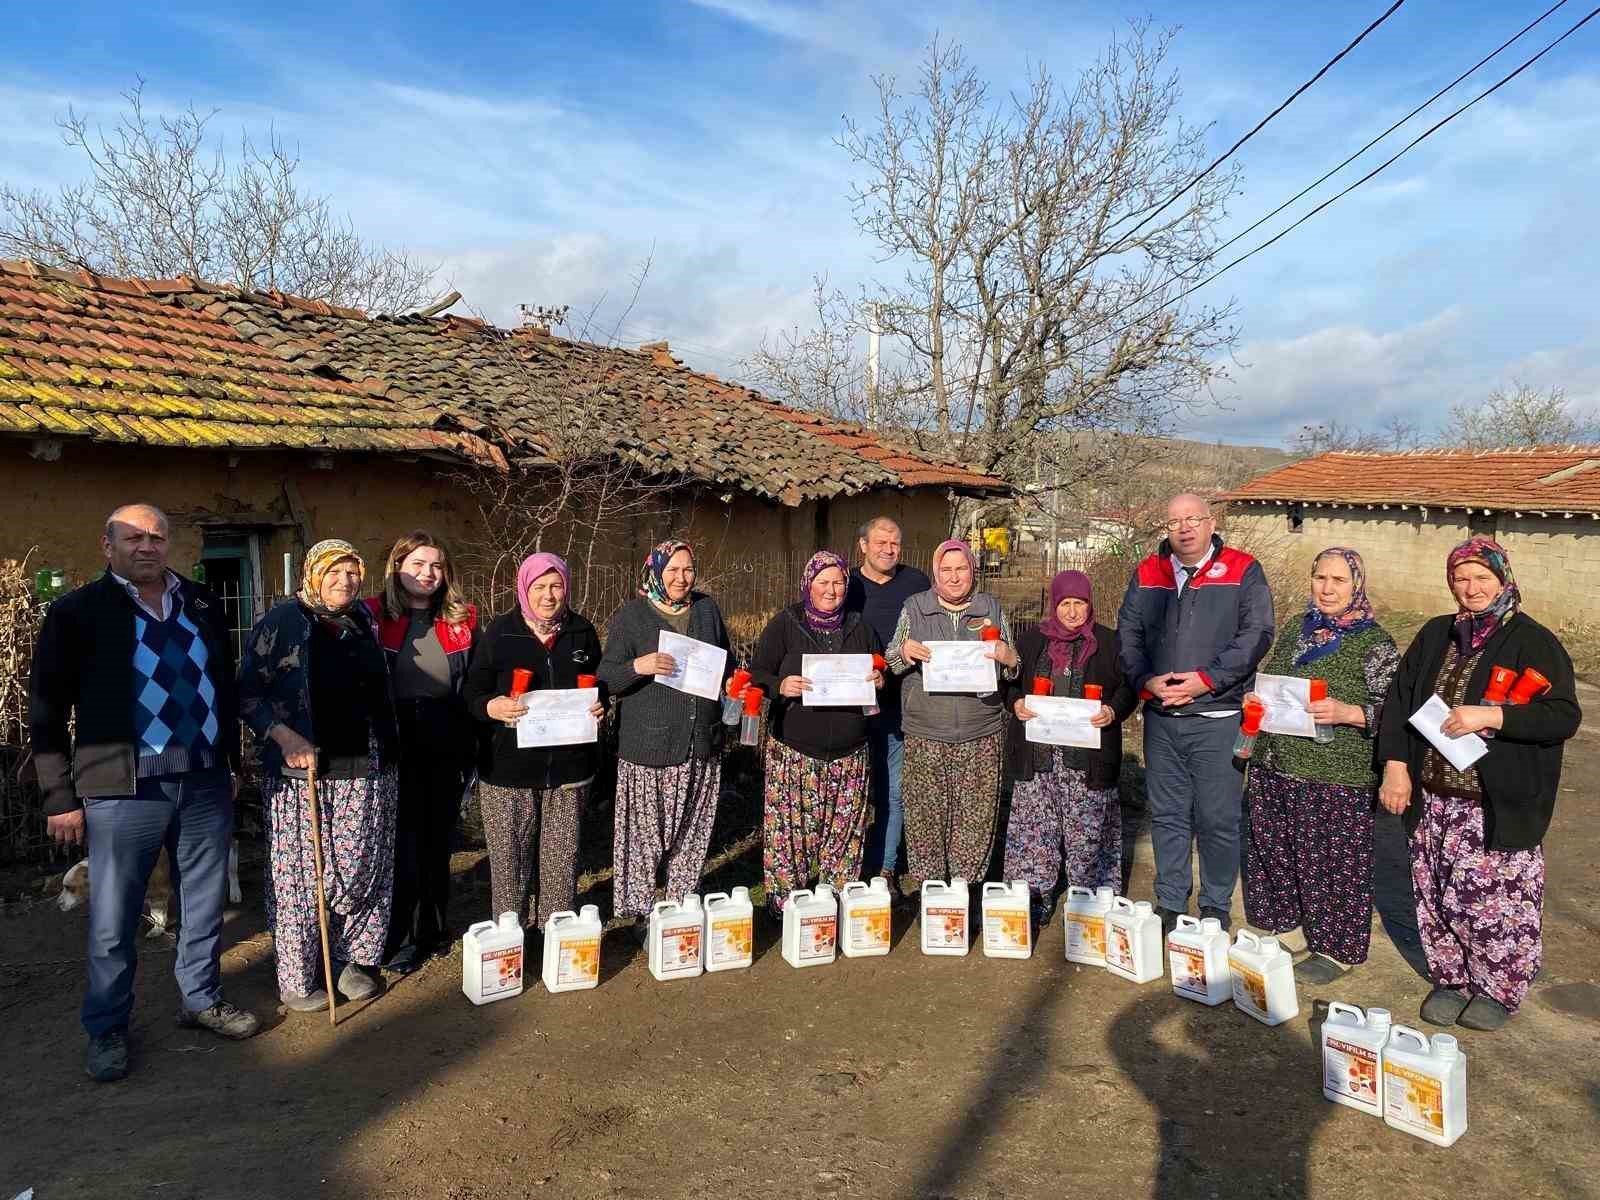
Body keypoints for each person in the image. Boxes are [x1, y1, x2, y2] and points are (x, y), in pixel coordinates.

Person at [30, 504, 258, 1081]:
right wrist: (59, 797)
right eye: (133, 537)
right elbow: (47, 711)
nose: (147, 546)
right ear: (108, 546)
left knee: (203, 902)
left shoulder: (201, 604)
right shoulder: (77, 612)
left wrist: (230, 760)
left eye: (157, 537)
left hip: (204, 779)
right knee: (114, 915)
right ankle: (106, 1027)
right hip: (123, 787)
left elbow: (221, 688)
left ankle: (201, 1000)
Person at [1377, 537, 1580, 1030]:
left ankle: (1498, 987)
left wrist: (1493, 714)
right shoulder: (1436, 635)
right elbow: (1400, 703)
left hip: (1492, 802)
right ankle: (1452, 978)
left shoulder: (1532, 640)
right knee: (1435, 892)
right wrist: (1396, 766)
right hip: (1433, 797)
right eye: (1461, 579)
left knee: (1493, 903)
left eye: (1481, 578)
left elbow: (1562, 715)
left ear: (1503, 578)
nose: (1471, 588)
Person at [239, 539, 401, 1012]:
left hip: (367, 765)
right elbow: (247, 693)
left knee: (361, 868)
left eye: (352, 572)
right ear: (312, 573)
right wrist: (285, 736)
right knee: (301, 876)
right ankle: (297, 974)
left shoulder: (364, 621)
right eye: (334, 571)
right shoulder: (282, 622)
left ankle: (354, 959)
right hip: (301, 770)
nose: (344, 581)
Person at [1118, 493, 1274, 934]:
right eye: (1174, 521)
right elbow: (1128, 631)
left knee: (1217, 818)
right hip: (1162, 717)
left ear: (1210, 522)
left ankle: (1215, 905)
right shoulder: (1149, 572)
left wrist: (1207, 680)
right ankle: (1170, 899)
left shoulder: (1243, 569)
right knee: (1167, 813)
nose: (1183, 528)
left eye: (1192, 519)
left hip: (1217, 718)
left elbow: (1257, 634)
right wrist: (1143, 679)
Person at [1242, 548, 1399, 984]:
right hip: (1277, 761)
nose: (1327, 588)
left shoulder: (1375, 643)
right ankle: (1287, 927)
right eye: (1320, 578)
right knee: (1276, 848)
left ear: (1357, 586)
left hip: (1336, 773)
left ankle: (1336, 947)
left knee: (1335, 860)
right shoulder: (1298, 629)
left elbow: (1395, 710)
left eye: (1339, 580)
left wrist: (1350, 712)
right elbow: (1271, 679)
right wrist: (1255, 699)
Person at [463, 552, 605, 931]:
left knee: (561, 861)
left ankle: (555, 937)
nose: (548, 595)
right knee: (509, 862)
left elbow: (598, 684)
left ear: (566, 587)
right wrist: (491, 706)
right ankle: (510, 940)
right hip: (508, 770)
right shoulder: (500, 632)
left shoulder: (582, 631)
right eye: (539, 586)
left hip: (569, 769)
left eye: (556, 585)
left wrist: (599, 705)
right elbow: (471, 690)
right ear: (523, 589)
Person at [597, 539, 732, 927]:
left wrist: (734, 682)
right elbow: (607, 677)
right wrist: (638, 665)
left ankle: (680, 909)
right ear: (655, 570)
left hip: (701, 742)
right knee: (644, 837)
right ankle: (639, 915)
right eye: (672, 569)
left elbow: (725, 662)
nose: (681, 578)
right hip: (649, 744)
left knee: (692, 832)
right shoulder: (633, 616)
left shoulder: (706, 609)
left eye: (688, 569)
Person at [366, 531, 478, 973]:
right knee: (399, 841)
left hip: (445, 737)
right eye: (417, 564)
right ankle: (396, 934)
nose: (427, 574)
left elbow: (471, 684)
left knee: (436, 840)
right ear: (398, 567)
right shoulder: (373, 615)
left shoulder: (461, 619)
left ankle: (431, 928)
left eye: (435, 566)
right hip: (394, 738)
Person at [750, 550, 884, 915]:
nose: (831, 589)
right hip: (795, 751)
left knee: (843, 837)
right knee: (790, 835)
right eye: (822, 582)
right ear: (808, 585)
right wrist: (781, 685)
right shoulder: (786, 624)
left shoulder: (860, 627)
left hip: (850, 753)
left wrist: (879, 679)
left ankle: (831, 907)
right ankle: (786, 907)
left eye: (838, 582)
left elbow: (878, 671)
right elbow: (757, 673)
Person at [1003, 570, 1136, 929]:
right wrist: (1015, 704)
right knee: (1035, 829)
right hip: (1040, 755)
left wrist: (1112, 710)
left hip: (1088, 758)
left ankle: (1090, 901)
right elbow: (1010, 683)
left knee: (1088, 831)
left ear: (1089, 605)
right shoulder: (1032, 641)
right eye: (1065, 603)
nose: (1073, 611)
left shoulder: (1109, 642)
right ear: (1055, 604)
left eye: (1080, 603)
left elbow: (1129, 688)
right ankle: (1034, 895)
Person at [886, 538, 1019, 891]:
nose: (955, 576)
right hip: (927, 730)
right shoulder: (915, 608)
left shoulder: (990, 607)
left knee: (974, 817)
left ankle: (965, 891)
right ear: (935, 573)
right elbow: (891, 660)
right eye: (947, 569)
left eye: (962, 568)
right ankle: (931, 891)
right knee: (925, 815)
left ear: (973, 571)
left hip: (981, 730)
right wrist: (904, 649)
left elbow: (1012, 668)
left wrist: (1009, 658)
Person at [845, 516, 930, 888]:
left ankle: (885, 868)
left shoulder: (916, 583)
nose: (888, 549)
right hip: (850, 705)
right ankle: (848, 865)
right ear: (862, 545)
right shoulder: (844, 584)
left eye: (894, 543)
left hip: (901, 702)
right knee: (854, 790)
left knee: (894, 790)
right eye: (880, 542)